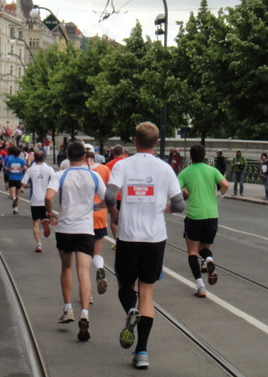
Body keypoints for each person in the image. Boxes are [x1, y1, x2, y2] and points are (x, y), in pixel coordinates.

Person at [105, 122, 185, 370]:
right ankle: (141, 352)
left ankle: (131, 309)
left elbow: (109, 195)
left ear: (135, 140)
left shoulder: (123, 165)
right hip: (154, 237)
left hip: (129, 235)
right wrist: (166, 208)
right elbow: (179, 205)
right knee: (147, 292)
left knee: (124, 284)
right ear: (157, 141)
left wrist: (115, 213)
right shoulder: (165, 169)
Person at [45, 141, 106, 342]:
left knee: (66, 268)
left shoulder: (60, 175)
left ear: (67, 156)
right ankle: (85, 313)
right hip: (85, 230)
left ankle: (68, 309)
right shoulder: (93, 176)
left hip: (65, 228)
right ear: (85, 156)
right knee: (83, 272)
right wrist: (97, 206)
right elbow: (110, 198)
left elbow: (48, 196)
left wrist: (49, 212)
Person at [178, 144, 230, 297]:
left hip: (195, 215)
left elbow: (176, 189)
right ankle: (208, 259)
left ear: (191, 156)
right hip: (212, 215)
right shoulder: (212, 170)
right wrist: (218, 196)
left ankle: (200, 287)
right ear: (204, 155)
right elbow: (225, 184)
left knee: (192, 251)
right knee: (204, 247)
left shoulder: (185, 173)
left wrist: (186, 192)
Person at [85, 146, 112, 294]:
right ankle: (100, 268)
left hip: (83, 216)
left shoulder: (78, 171)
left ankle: (87, 294)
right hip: (100, 214)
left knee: (83, 258)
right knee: (97, 253)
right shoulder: (104, 169)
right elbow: (109, 192)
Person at [4, 146, 27, 215]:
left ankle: (14, 199)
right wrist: (23, 173)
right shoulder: (22, 160)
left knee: (12, 195)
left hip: (11, 178)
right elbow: (25, 168)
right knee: (18, 195)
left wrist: (9, 170)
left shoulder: (10, 160)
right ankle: (15, 209)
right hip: (19, 179)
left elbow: (6, 167)